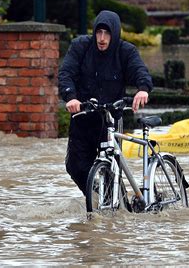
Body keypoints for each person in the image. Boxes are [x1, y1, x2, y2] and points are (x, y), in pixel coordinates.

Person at [58, 10, 153, 196]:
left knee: (111, 169)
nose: (102, 38)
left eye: (107, 33)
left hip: (110, 120)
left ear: (115, 34)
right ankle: (98, 197)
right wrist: (71, 97)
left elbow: (140, 71)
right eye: (99, 33)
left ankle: (116, 203)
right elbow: (66, 74)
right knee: (75, 167)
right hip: (82, 117)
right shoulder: (80, 46)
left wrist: (143, 88)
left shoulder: (126, 51)